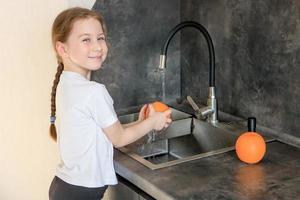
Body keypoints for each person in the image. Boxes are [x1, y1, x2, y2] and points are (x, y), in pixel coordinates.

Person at [48, 7, 172, 200]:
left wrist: (141, 124)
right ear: (63, 49)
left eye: (101, 38)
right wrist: (152, 123)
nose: (97, 47)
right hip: (81, 193)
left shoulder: (66, 83)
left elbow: (105, 131)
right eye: (86, 40)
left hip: (65, 187)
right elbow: (119, 139)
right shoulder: (93, 92)